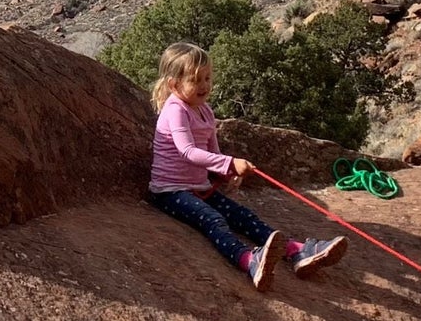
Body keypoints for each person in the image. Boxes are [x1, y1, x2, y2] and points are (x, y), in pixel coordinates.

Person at [148, 42, 347, 291]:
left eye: (208, 78)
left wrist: (225, 173)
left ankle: (296, 251)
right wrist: (230, 163)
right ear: (174, 85)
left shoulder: (205, 111)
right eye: (196, 80)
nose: (205, 86)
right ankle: (249, 260)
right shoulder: (175, 111)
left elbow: (212, 151)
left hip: (199, 185)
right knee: (214, 220)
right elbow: (187, 152)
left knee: (242, 215)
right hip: (171, 191)